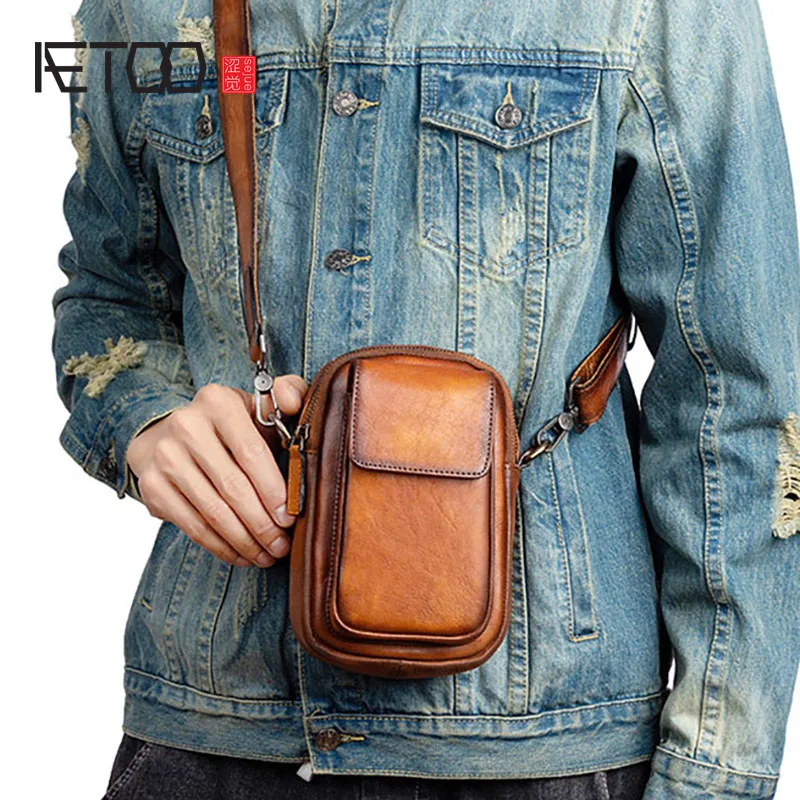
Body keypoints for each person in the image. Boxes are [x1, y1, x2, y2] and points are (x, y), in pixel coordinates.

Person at [53, 0, 800, 798]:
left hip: (539, 750)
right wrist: (146, 421)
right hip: (211, 730)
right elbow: (108, 291)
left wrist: (712, 778)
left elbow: (739, 398)